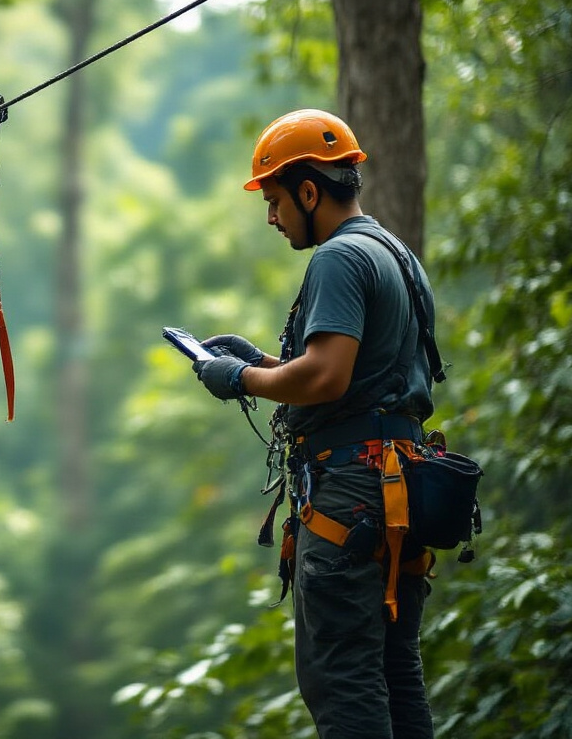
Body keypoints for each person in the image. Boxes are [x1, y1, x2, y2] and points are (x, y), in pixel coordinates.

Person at [194, 109, 438, 738]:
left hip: (352, 494)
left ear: (309, 191)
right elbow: (361, 379)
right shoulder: (395, 255)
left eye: (275, 200)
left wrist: (240, 379)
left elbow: (326, 377)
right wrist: (267, 363)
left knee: (341, 677)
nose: (271, 217)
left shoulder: (338, 259)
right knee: (393, 668)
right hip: (401, 485)